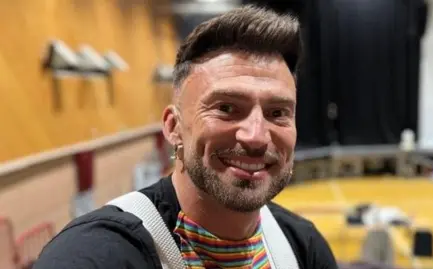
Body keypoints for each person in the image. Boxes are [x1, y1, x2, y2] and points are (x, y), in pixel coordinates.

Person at [33, 5, 337, 269]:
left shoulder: (303, 247)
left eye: (277, 113)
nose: (256, 136)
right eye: (227, 108)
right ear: (173, 127)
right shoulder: (95, 254)